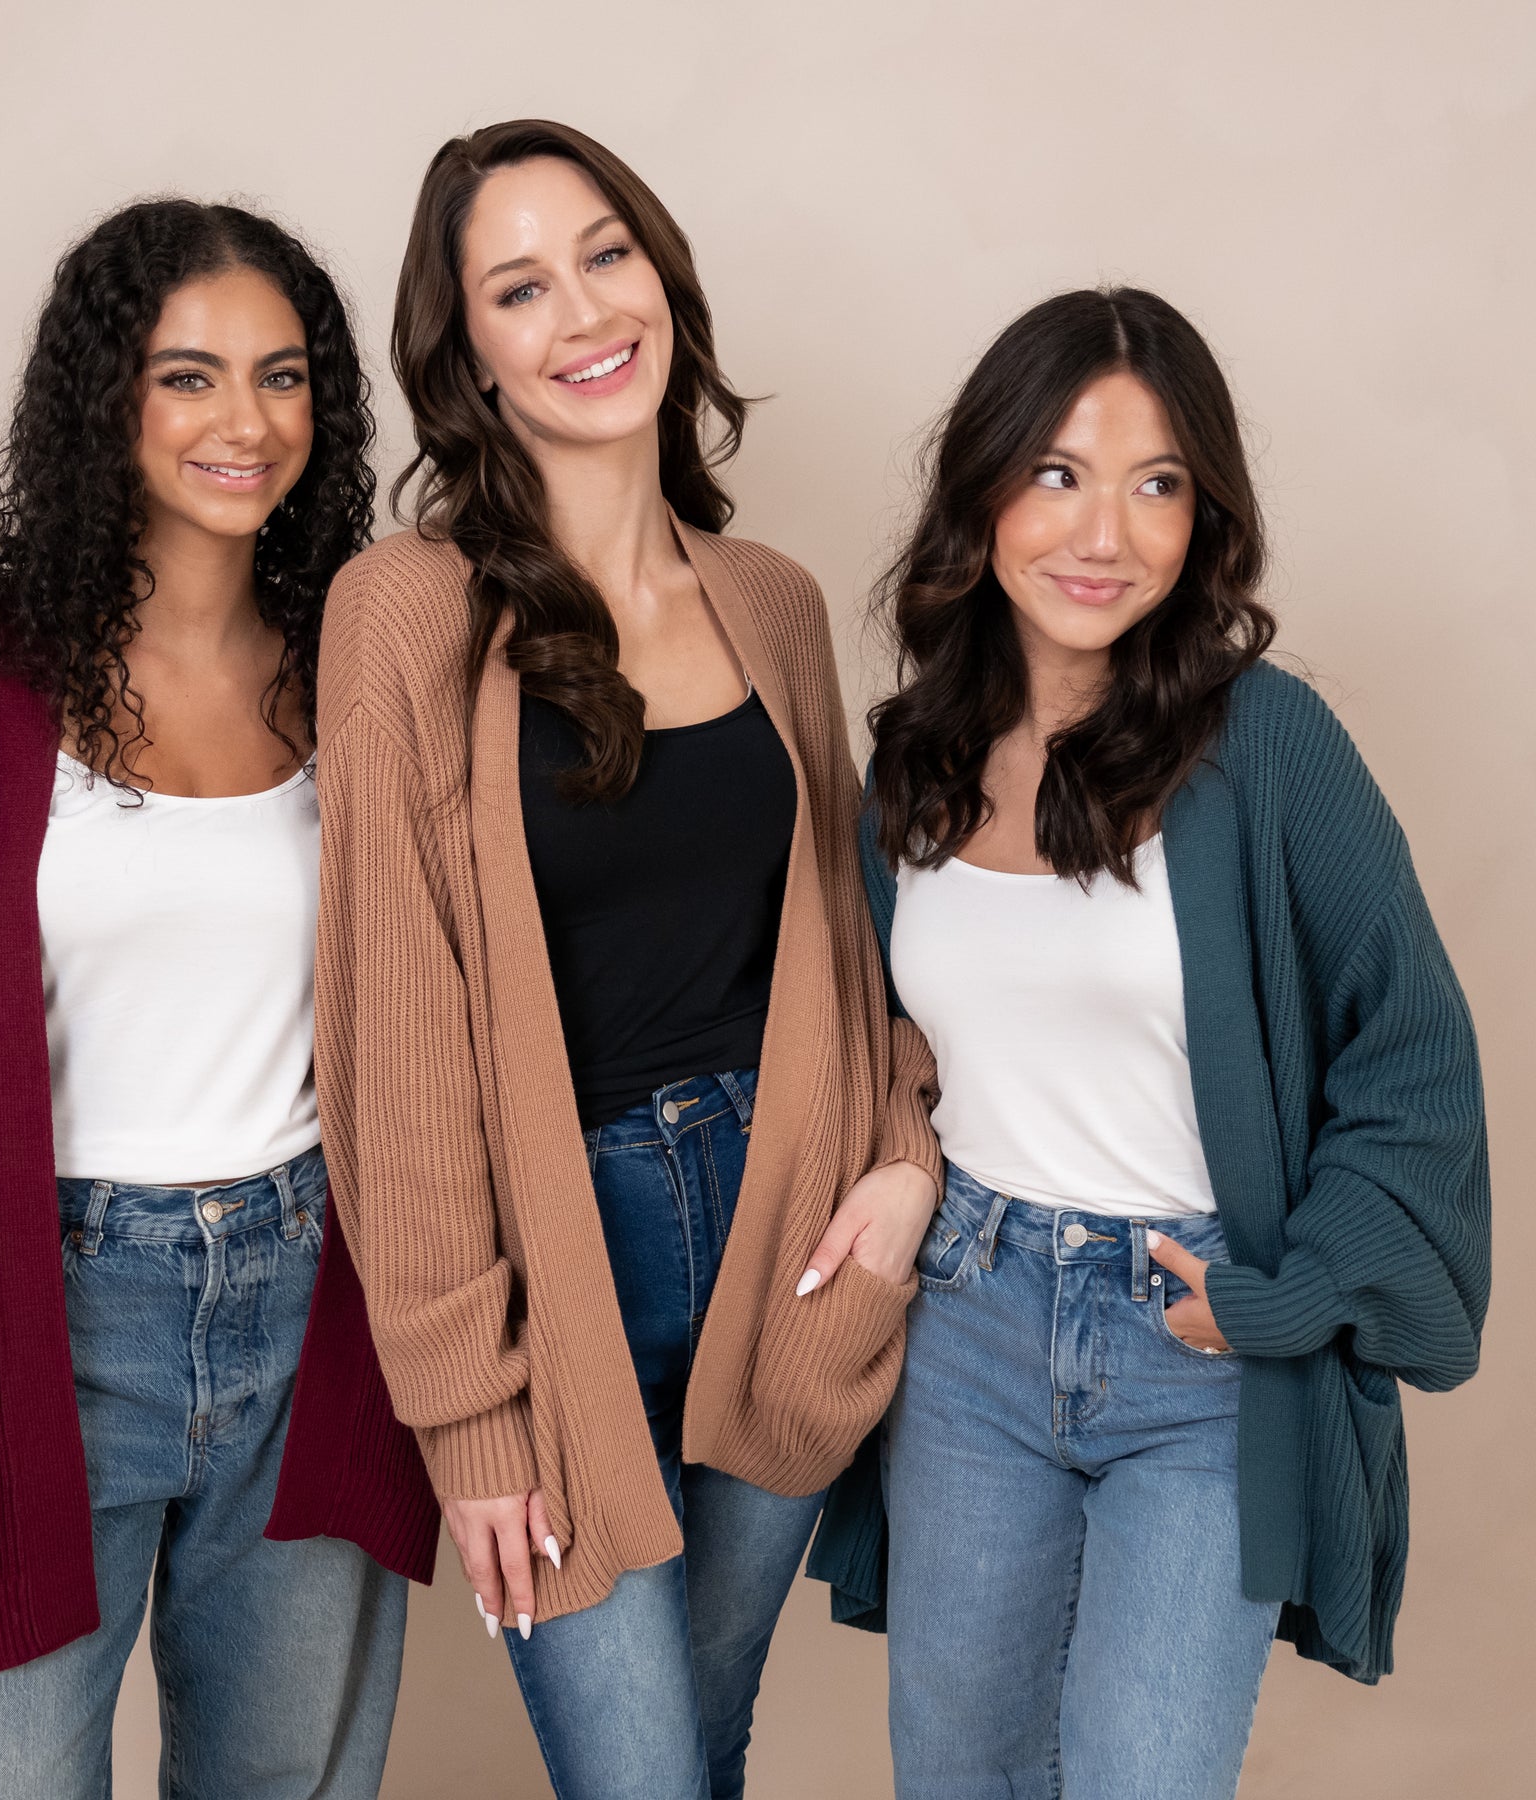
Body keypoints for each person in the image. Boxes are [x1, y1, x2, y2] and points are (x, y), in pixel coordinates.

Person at [280, 119, 940, 1800]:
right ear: (471, 358)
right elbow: (393, 1033)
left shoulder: (772, 602)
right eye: (518, 286)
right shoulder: (408, 611)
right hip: (564, 1267)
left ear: (662, 278)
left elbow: (866, 952)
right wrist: (469, 1407)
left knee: (698, 1753)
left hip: (796, 1243)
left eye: (604, 254)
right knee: (641, 1773)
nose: (579, 310)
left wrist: (910, 1165)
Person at [0, 199, 435, 1800]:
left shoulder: (356, 670)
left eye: (282, 378)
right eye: (187, 376)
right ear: (107, 402)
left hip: (310, 1297)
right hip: (49, 1324)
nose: (243, 423)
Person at [836, 286, 1489, 1799]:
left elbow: (1411, 1065)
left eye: (1158, 485)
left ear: (1207, 518)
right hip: (973, 1330)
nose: (1104, 533)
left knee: (1143, 1775)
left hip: (1197, 1351)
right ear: (984, 490)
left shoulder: (1268, 746)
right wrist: (903, 1164)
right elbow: (873, 1036)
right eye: (1059, 473)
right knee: (960, 1775)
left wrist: (1288, 1295)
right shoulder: (912, 759)